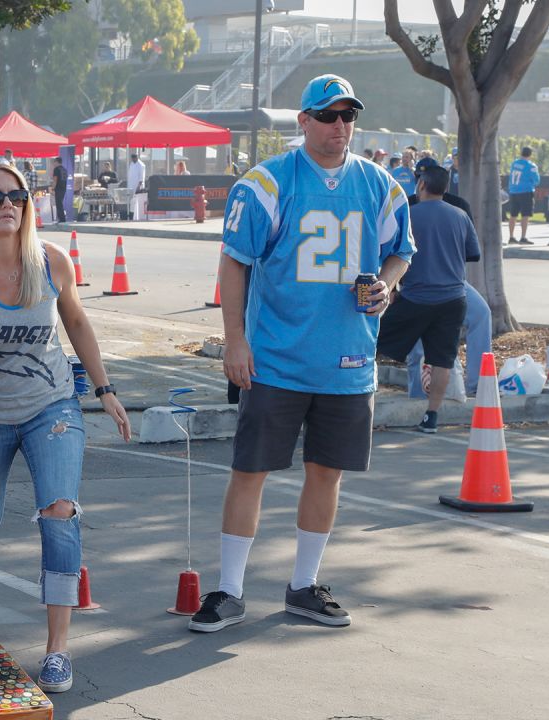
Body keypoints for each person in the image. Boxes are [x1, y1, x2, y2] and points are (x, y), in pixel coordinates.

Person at [190, 74, 413, 633]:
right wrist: (235, 340)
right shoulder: (266, 183)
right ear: (304, 121)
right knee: (250, 471)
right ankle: (229, 590)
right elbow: (235, 261)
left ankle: (304, 585)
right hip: (276, 359)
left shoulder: (381, 185)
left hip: (348, 361)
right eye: (329, 115)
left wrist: (387, 285)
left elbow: (400, 254)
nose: (341, 126)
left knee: (327, 474)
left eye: (349, 116)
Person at [0, 163, 130, 694]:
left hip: (53, 410)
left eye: (17, 196)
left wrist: (105, 390)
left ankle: (58, 650)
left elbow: (78, 322)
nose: (7, 205)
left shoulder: (52, 262)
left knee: (59, 512)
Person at [377, 165, 479, 432]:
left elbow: (390, 253)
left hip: (415, 297)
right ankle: (431, 416)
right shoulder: (460, 215)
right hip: (453, 298)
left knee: (372, 343)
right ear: (445, 188)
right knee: (442, 358)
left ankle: (360, 401)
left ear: (421, 185)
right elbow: (472, 253)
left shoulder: (408, 214)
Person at [506, 146, 540, 245]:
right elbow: (536, 181)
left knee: (513, 215)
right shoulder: (531, 166)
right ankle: (523, 237)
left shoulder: (514, 163)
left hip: (513, 191)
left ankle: (511, 236)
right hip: (525, 191)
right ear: (530, 155)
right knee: (525, 215)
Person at [50, 157, 68, 223]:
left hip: (58, 188)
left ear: (57, 162)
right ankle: (62, 218)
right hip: (63, 188)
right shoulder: (64, 169)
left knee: (58, 204)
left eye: (54, 162)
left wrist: (52, 188)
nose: (54, 164)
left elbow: (55, 180)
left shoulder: (56, 169)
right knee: (60, 203)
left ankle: (62, 219)